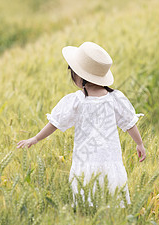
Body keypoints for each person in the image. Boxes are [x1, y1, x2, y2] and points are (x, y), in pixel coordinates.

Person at [17, 41, 146, 206]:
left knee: (85, 203)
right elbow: (129, 123)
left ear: (80, 76)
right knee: (110, 201)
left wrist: (35, 138)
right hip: (110, 158)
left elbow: (55, 123)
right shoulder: (115, 98)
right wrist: (139, 144)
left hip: (85, 160)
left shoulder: (77, 100)